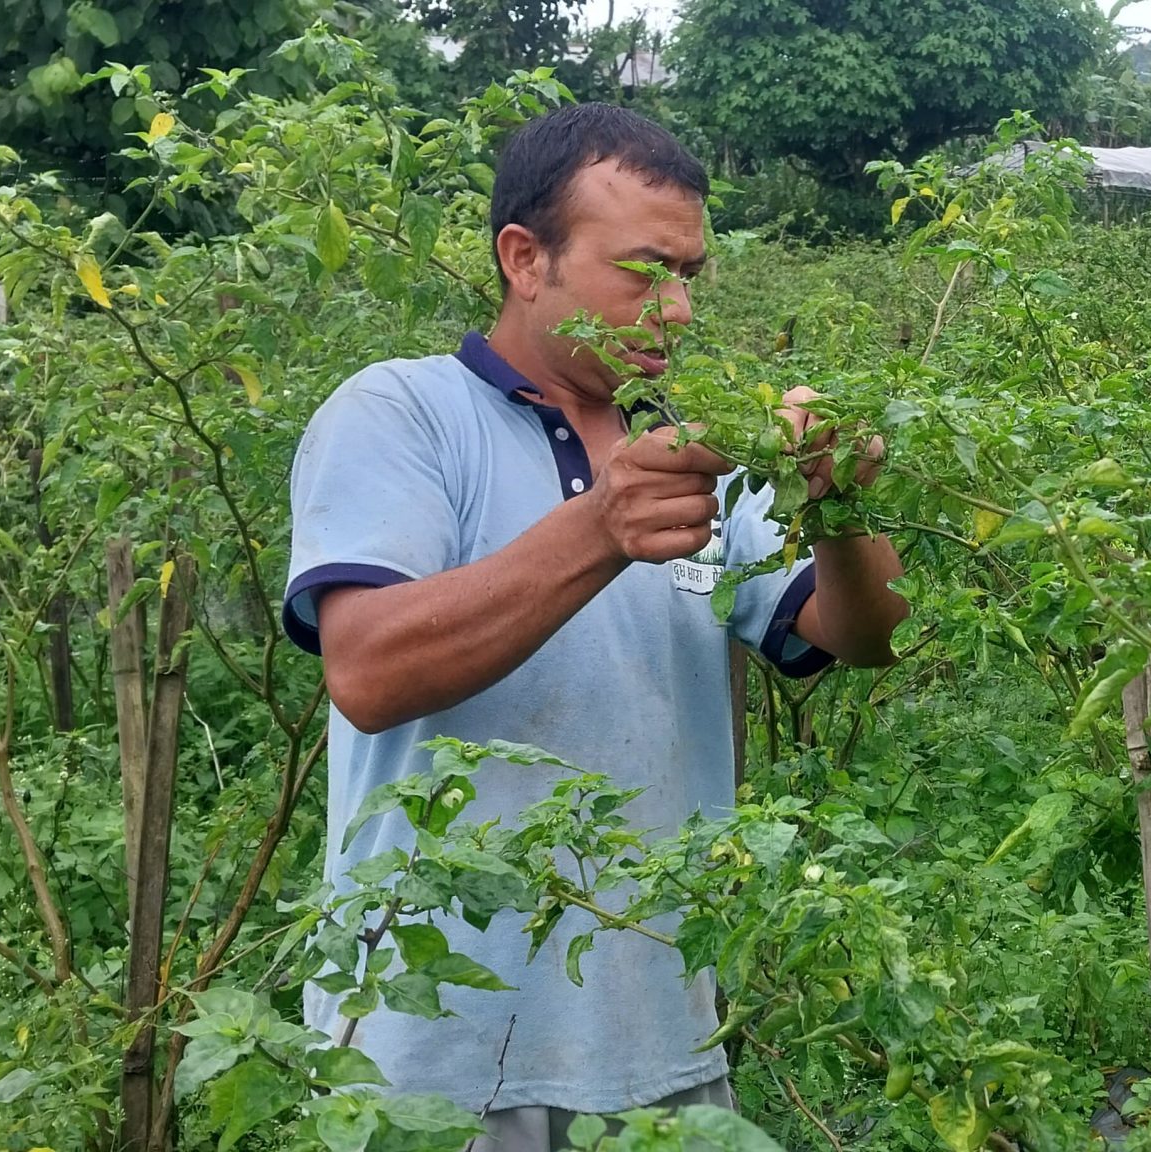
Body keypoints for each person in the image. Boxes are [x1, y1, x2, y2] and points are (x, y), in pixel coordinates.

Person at [280, 103, 909, 1150]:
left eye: (691, 276)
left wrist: (838, 500)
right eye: (644, 272)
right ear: (526, 260)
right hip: (429, 1060)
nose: (677, 311)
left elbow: (864, 634)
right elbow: (368, 668)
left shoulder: (694, 446)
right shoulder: (397, 414)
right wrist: (600, 529)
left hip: (661, 1037)